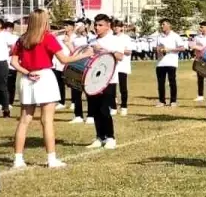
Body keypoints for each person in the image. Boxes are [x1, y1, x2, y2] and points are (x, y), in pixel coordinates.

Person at [9, 9, 92, 169]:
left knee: (24, 120)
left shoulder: (22, 39)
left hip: (27, 79)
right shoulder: (47, 38)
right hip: (45, 77)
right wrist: (85, 54)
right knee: (47, 121)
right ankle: (51, 159)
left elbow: (14, 62)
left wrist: (27, 72)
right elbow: (65, 59)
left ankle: (18, 159)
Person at [87, 14, 124, 149]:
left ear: (108, 26)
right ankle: (99, 136)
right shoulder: (92, 40)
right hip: (92, 79)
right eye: (95, 25)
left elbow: (120, 56)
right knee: (94, 109)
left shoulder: (114, 40)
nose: (97, 28)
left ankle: (110, 137)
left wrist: (103, 50)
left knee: (104, 109)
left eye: (100, 25)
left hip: (108, 79)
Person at [153, 19, 186, 107]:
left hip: (171, 62)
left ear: (169, 25)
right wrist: (158, 49)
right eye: (161, 24)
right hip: (160, 63)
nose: (162, 26)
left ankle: (173, 101)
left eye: (163, 24)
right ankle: (161, 101)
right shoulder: (159, 36)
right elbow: (156, 48)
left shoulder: (175, 36)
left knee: (172, 82)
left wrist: (169, 49)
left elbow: (182, 48)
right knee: (160, 83)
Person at [110, 20, 133, 116]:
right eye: (114, 26)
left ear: (121, 28)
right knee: (111, 88)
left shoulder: (126, 38)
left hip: (123, 65)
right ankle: (113, 107)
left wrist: (119, 51)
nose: (115, 28)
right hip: (112, 65)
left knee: (123, 87)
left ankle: (124, 106)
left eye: (117, 26)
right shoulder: (110, 38)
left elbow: (129, 51)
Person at [190, 21, 206, 104]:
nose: (200, 29)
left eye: (202, 27)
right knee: (200, 78)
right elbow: (193, 46)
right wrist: (195, 51)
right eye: (200, 27)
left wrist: (199, 48)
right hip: (200, 59)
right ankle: (200, 95)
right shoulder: (197, 37)